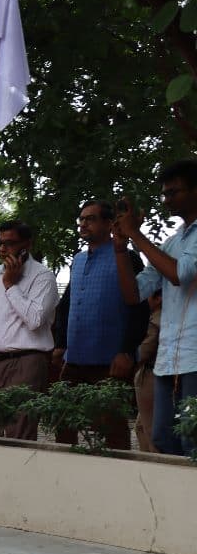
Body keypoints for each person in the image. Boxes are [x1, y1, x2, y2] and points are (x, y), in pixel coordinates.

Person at [113, 160, 197, 455]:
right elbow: (134, 293)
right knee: (162, 439)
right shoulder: (172, 242)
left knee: (192, 442)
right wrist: (121, 247)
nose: (167, 200)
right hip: (168, 360)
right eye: (164, 193)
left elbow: (180, 274)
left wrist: (136, 235)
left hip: (195, 357)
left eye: (173, 192)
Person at [51, 200, 148, 450]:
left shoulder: (127, 258)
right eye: (81, 219)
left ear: (108, 224)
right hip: (74, 359)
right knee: (64, 422)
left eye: (90, 219)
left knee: (111, 428)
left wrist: (127, 351)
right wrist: (60, 344)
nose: (83, 224)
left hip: (110, 362)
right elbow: (67, 303)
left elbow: (139, 308)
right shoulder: (78, 260)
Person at [0, 220, 58, 440]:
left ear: (27, 244)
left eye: (10, 243)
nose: (3, 249)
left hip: (25, 362)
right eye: (0, 243)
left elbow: (35, 319)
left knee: (18, 431)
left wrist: (11, 285)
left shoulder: (43, 276)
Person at [134, 292, 161, 452]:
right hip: (153, 373)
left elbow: (144, 351)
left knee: (148, 428)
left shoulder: (155, 321)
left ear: (158, 299)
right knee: (141, 426)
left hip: (151, 375)